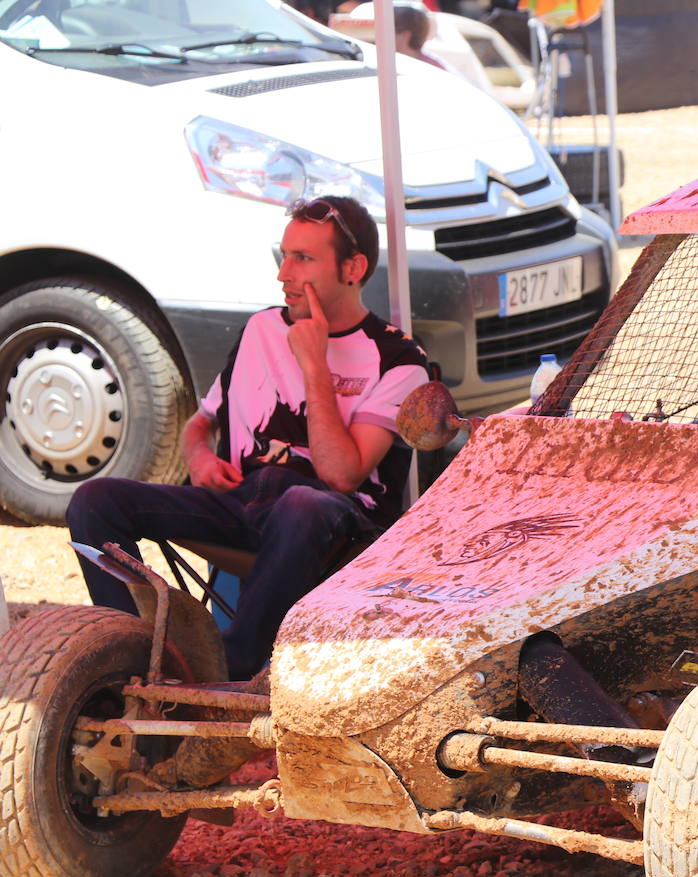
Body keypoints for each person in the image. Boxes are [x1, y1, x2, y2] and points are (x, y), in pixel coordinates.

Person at [66, 195, 428, 681]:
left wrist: (314, 363)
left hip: (335, 521)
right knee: (94, 500)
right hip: (245, 498)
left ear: (353, 268)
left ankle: (228, 670)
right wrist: (197, 456)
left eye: (303, 259)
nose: (284, 274)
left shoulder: (398, 358)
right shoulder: (262, 328)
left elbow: (342, 475)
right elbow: (203, 421)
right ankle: (133, 661)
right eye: (284, 256)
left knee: (303, 502)